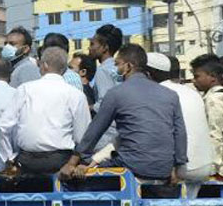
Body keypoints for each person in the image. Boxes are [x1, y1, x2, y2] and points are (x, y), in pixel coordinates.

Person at [60, 44, 187, 182]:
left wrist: (72, 163)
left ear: (128, 66)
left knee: (85, 177)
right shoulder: (170, 95)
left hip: (132, 166)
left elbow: (94, 131)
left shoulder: (116, 93)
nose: (116, 69)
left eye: (117, 64)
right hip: (164, 168)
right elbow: (180, 133)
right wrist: (178, 166)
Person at [0, 47, 91, 174]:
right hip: (62, 162)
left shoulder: (25, 89)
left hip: (27, 162)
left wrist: (9, 158)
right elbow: (83, 137)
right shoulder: (76, 95)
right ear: (64, 69)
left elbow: (3, 126)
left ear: (44, 65)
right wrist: (72, 164)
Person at [149, 53, 214, 189]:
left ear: (149, 73)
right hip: (204, 165)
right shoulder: (192, 93)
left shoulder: (159, 94)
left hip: (180, 168)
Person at [190, 54, 223, 180]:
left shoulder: (214, 99)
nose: (193, 80)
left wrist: (211, 169)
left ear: (212, 77)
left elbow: (214, 135)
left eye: (197, 76)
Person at [89, 24, 123, 111]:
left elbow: (104, 104)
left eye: (92, 44)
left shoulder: (103, 70)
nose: (89, 48)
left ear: (104, 47)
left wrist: (88, 107)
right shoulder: (120, 68)